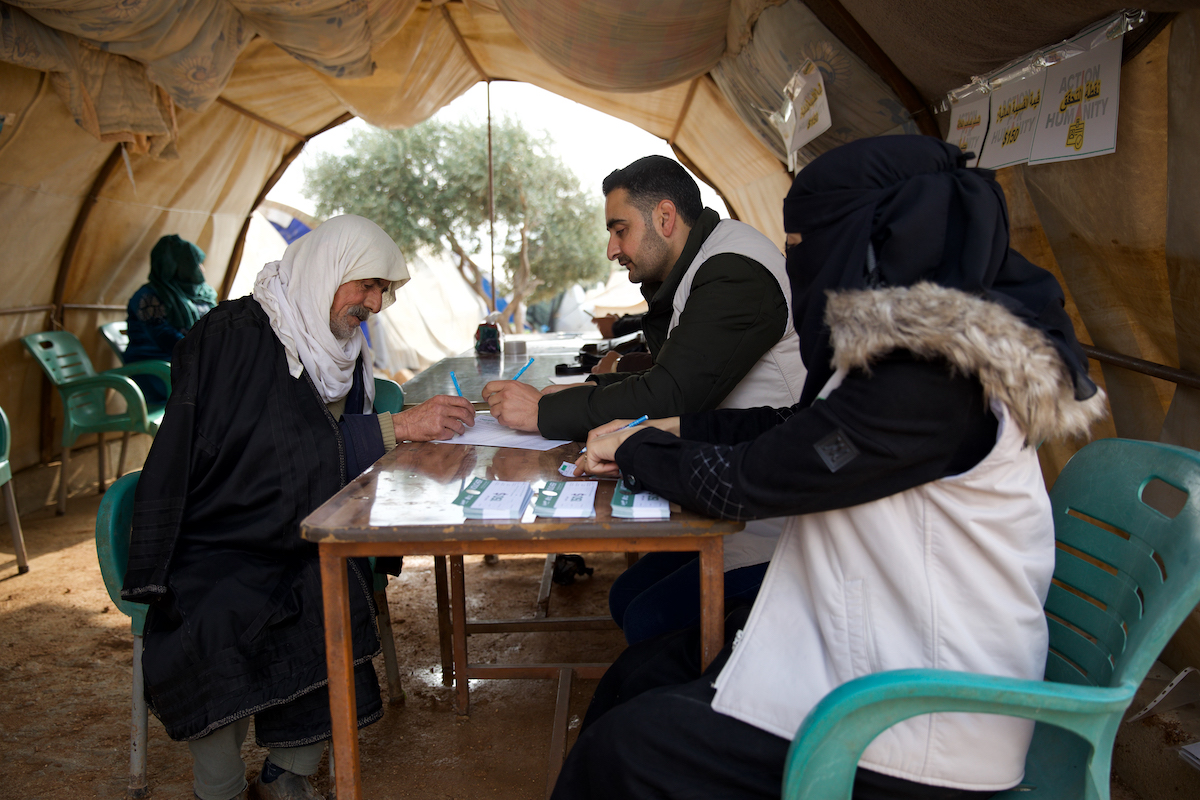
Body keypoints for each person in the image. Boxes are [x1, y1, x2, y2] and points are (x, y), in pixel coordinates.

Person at [556, 135, 1108, 800]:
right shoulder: (905, 354)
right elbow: (790, 428)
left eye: (807, 241)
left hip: (919, 716)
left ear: (872, 237)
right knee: (636, 678)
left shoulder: (935, 381)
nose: (801, 263)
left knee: (625, 751)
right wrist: (653, 431)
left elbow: (755, 477)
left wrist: (640, 448)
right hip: (864, 643)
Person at [121, 215, 475, 800]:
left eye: (384, 291)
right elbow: (263, 453)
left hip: (295, 522)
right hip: (212, 529)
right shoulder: (233, 335)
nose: (375, 304)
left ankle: (289, 771)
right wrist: (397, 427)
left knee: (327, 593)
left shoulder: (340, 345)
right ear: (326, 270)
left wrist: (393, 432)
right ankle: (221, 787)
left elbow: (311, 444)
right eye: (366, 285)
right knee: (215, 619)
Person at [485, 155, 808, 643]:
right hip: (730, 482)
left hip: (779, 510)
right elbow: (672, 374)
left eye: (620, 230)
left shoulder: (733, 272)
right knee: (626, 595)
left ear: (664, 217)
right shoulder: (706, 262)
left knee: (647, 616)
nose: (612, 249)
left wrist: (543, 412)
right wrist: (581, 391)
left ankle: (711, 701)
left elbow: (673, 394)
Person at [123, 234, 217, 403]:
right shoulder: (148, 298)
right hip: (157, 372)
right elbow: (166, 339)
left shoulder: (201, 296)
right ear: (177, 267)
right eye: (195, 263)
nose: (202, 269)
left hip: (188, 367)